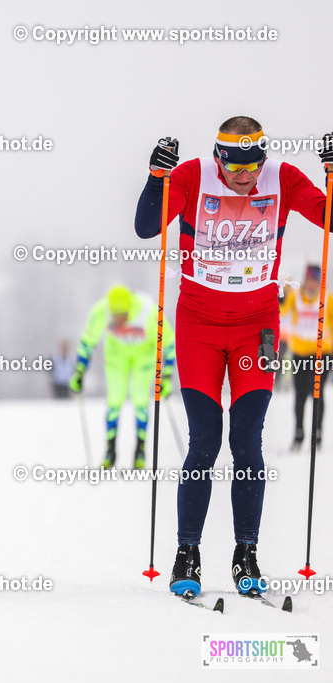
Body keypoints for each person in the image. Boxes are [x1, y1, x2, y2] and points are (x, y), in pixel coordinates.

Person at [135, 117, 332, 598]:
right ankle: (188, 552)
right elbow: (146, 227)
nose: (244, 175)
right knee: (204, 441)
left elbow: (326, 217)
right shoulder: (191, 177)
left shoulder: (283, 178)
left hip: (258, 326)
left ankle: (247, 552)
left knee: (247, 439)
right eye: (234, 165)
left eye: (252, 164)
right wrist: (155, 177)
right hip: (199, 325)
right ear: (219, 156)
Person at [69, 285, 175, 469]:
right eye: (114, 316)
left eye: (122, 316)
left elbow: (170, 343)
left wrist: (166, 376)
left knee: (140, 397)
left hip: (144, 355)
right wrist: (79, 372)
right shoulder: (101, 309)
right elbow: (88, 341)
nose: (118, 320)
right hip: (117, 355)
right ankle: (110, 452)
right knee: (115, 399)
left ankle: (140, 451)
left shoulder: (149, 311)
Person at [280, 264, 333, 450]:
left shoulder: (327, 297)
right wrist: (283, 293)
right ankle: (298, 434)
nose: (312, 284)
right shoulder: (295, 296)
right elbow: (282, 311)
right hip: (300, 352)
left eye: (315, 281)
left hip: (322, 353)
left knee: (317, 394)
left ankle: (317, 434)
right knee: (300, 395)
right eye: (310, 280)